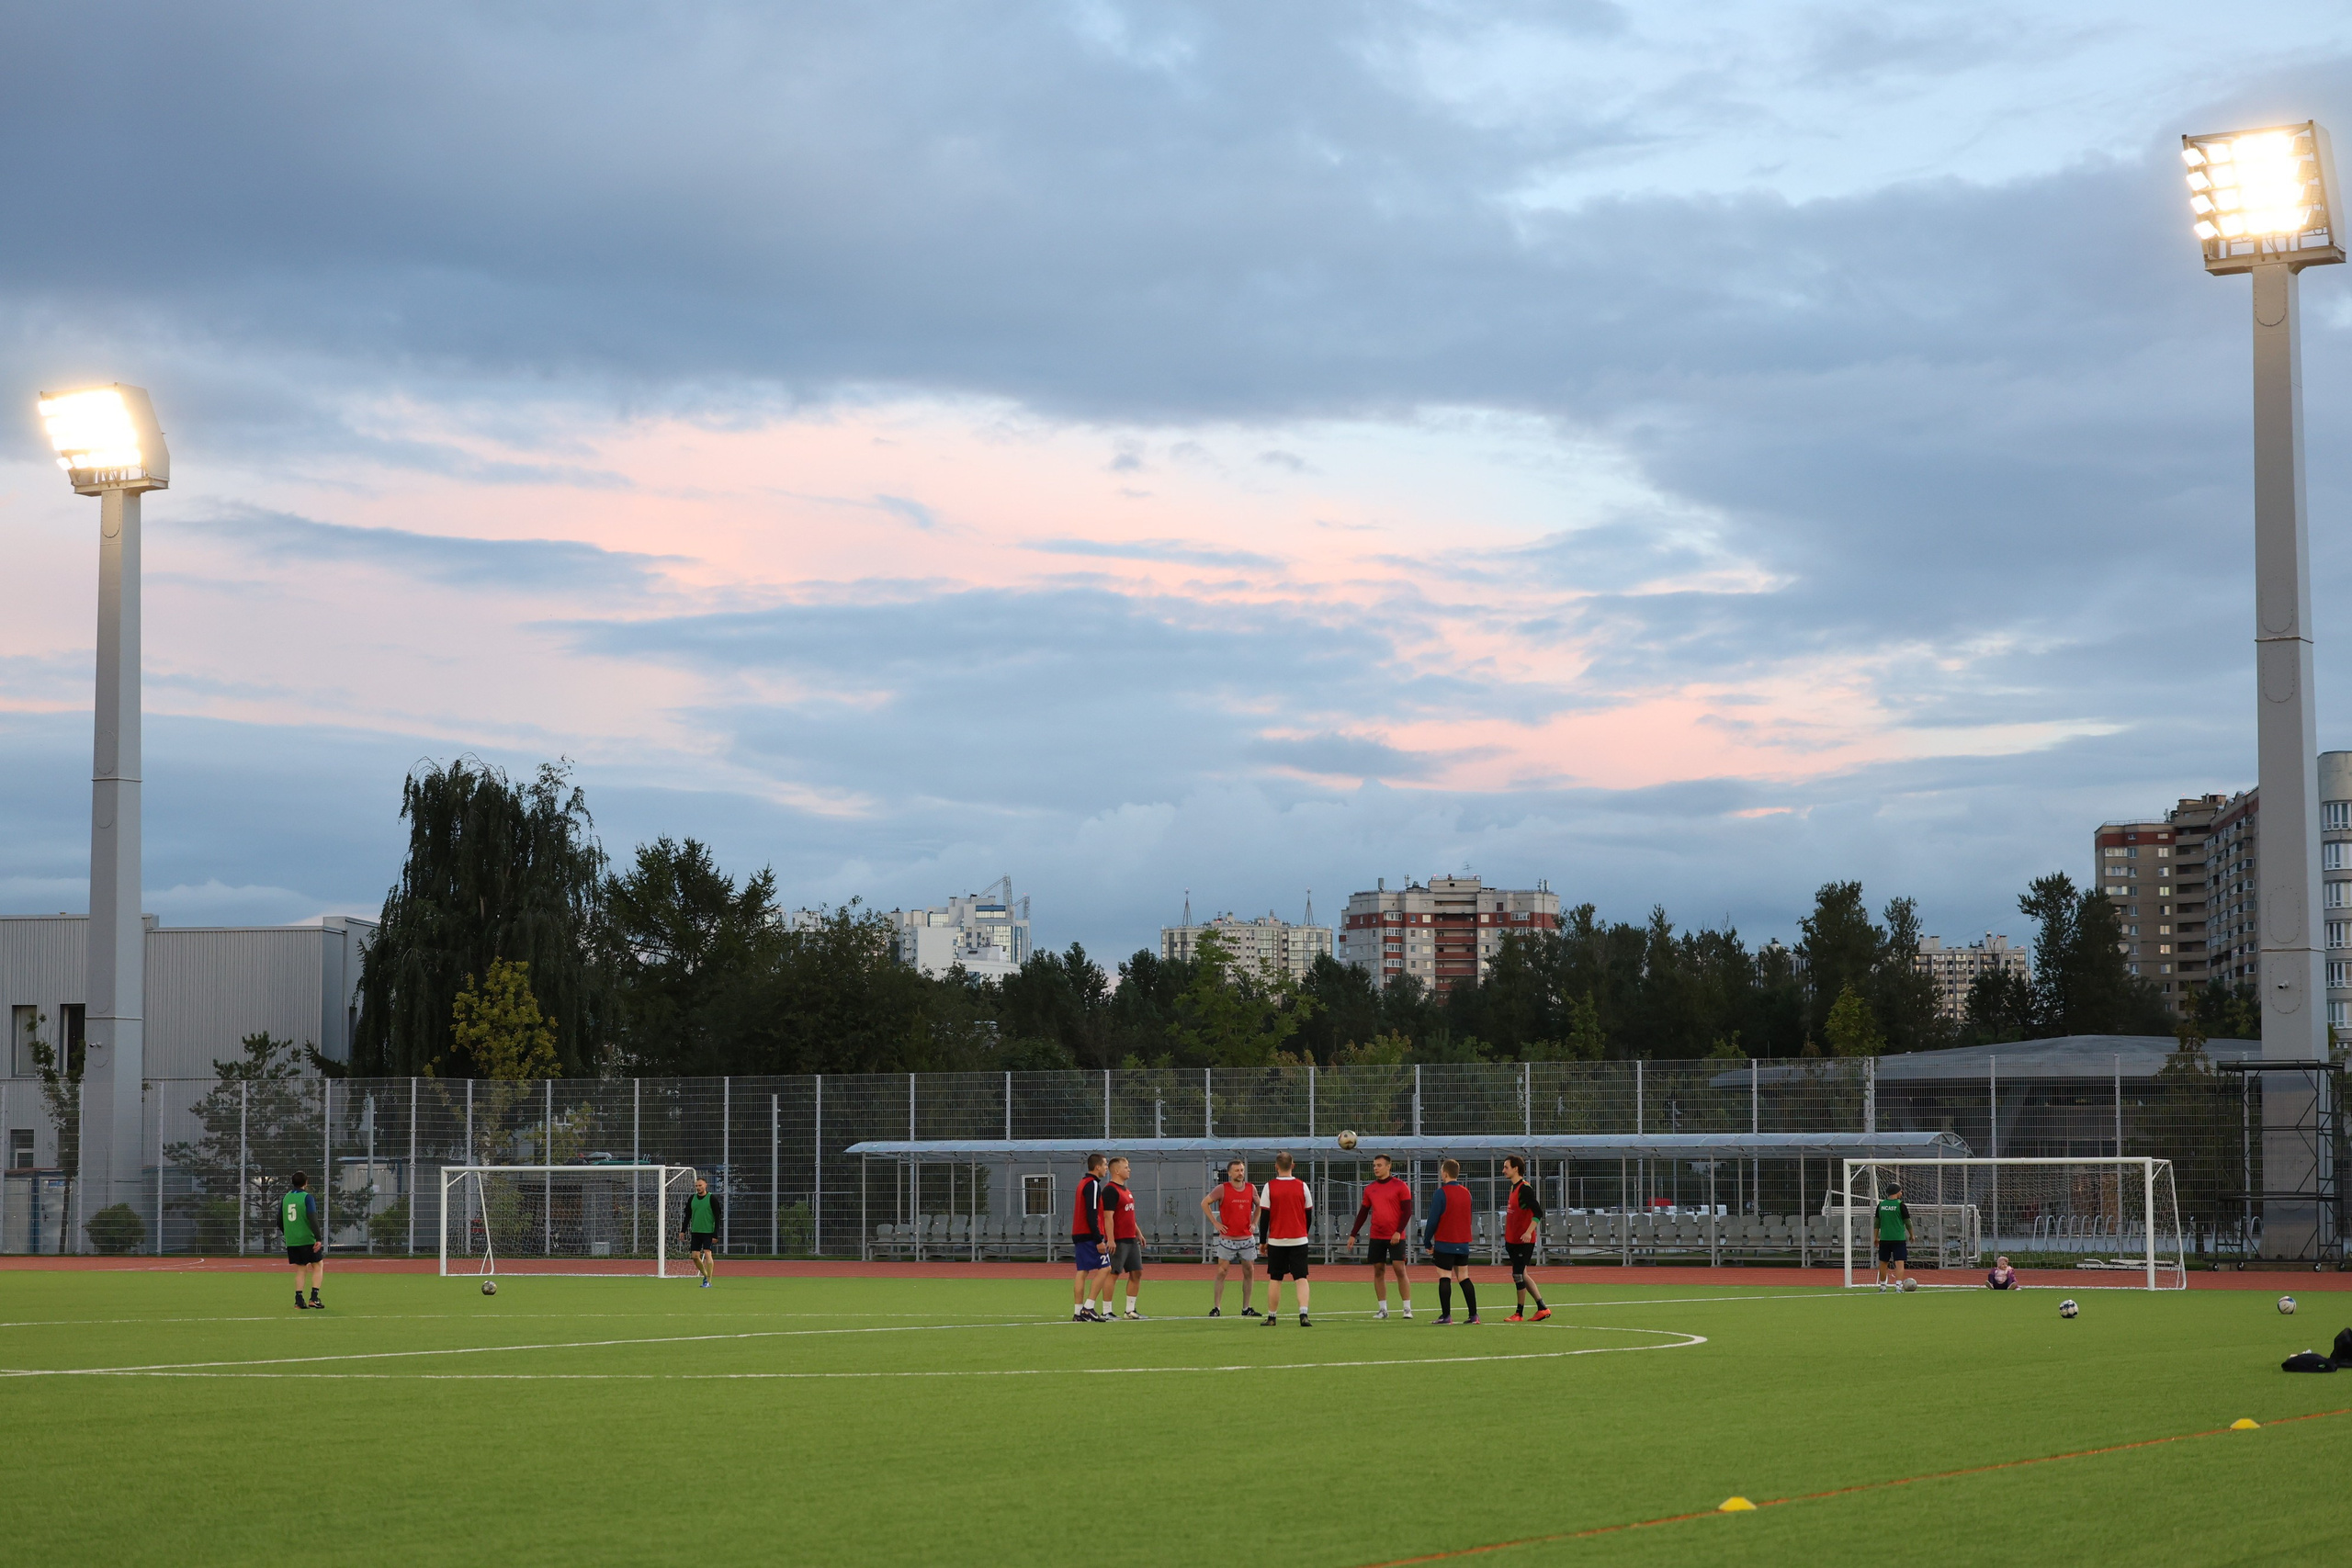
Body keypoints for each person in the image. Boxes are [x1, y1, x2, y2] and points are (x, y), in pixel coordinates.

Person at [1346, 1154, 1414, 1319]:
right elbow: (1363, 1213)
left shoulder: (1400, 1186)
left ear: (1388, 1166)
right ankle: (1383, 1309)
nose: (1376, 1168)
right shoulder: (1370, 1189)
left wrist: (1398, 1231)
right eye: (1374, 1165)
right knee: (1378, 1270)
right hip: (1377, 1235)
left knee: (1399, 1269)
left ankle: (1407, 1308)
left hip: (1396, 1236)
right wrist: (1353, 1234)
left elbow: (1407, 1211)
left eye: (1379, 1165)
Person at [1256, 1151, 1314, 1326]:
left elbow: (1264, 1216)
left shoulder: (1269, 1186)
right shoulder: (1302, 1186)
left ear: (1276, 1166)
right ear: (1293, 1165)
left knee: (1276, 1278)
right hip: (1299, 1239)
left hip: (1277, 1240)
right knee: (1301, 1278)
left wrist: (1263, 1241)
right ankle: (1303, 1314)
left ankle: (1272, 1317)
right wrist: (1304, 1231)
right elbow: (1309, 1214)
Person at [1420, 1158, 1477, 1325]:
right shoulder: (1466, 1192)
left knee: (1445, 1277)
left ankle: (1446, 1316)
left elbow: (1432, 1220)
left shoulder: (1441, 1193)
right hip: (1463, 1242)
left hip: (1445, 1241)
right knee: (1464, 1277)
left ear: (1444, 1173)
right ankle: (1473, 1315)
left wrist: (1427, 1242)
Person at [1200, 1158, 1260, 1316]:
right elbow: (1205, 1203)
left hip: (1246, 1238)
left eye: (1242, 1170)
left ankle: (1246, 1308)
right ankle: (1217, 1307)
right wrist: (1215, 1223)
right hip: (1227, 1239)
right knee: (1222, 1271)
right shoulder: (1222, 1189)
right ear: (1229, 1173)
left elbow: (1260, 1205)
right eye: (1237, 1170)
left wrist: (1254, 1222)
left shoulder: (1250, 1188)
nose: (1240, 1173)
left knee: (1249, 1271)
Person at [1500, 1156, 1551, 1323]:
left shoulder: (1525, 1189)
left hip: (1524, 1241)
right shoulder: (1513, 1188)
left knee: (1517, 1274)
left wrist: (1529, 1231)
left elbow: (1538, 1213)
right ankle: (1542, 1308)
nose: (1503, 1170)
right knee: (1522, 1273)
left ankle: (1519, 1313)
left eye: (1506, 1167)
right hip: (1513, 1240)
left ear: (1516, 1169)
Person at [1070, 1153, 1116, 1322]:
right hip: (1090, 1235)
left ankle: (1077, 1312)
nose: (1106, 1168)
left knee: (1082, 1271)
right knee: (1106, 1268)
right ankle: (1088, 1307)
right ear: (1097, 1167)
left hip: (1078, 1232)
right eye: (1105, 1165)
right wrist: (1098, 1239)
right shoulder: (1093, 1185)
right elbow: (1092, 1213)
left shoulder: (1082, 1183)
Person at [1106, 1156, 1147, 1319]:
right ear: (1116, 1170)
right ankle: (1107, 1310)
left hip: (1131, 1239)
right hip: (1119, 1239)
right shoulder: (1110, 1190)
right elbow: (1108, 1217)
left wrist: (1139, 1233)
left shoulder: (1127, 1190)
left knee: (1136, 1273)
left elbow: (1129, 1215)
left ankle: (1130, 1310)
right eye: (1126, 1167)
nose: (1129, 1170)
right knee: (1114, 1273)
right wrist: (1110, 1239)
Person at [279, 1172, 325, 1310]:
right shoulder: (307, 1197)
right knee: (318, 1265)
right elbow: (312, 1218)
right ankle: (314, 1298)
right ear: (306, 1182)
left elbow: (279, 1221)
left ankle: (299, 1300)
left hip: (292, 1240)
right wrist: (318, 1238)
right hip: (307, 1238)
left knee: (301, 1269)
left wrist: (289, 1233)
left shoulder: (286, 1198)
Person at [680, 1176, 721, 1288]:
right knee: (694, 1256)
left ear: (705, 1185)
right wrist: (682, 1230)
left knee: (707, 1253)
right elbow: (687, 1216)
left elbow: (717, 1217)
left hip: (708, 1231)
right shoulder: (692, 1199)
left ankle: (708, 1281)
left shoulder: (712, 1198)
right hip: (696, 1231)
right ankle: (706, 1275)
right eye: (696, 1186)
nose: (698, 1188)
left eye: (700, 1185)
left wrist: (715, 1233)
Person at [1873, 1182, 1911, 1292]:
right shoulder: (1900, 1205)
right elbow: (1908, 1222)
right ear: (1896, 1192)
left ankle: (1882, 1286)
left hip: (1884, 1239)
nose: (1901, 1193)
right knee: (1899, 1262)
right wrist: (1912, 1234)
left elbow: (1877, 1223)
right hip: (1898, 1238)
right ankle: (1898, 1286)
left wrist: (1875, 1237)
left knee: (1883, 1262)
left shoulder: (1881, 1205)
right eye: (1900, 1191)